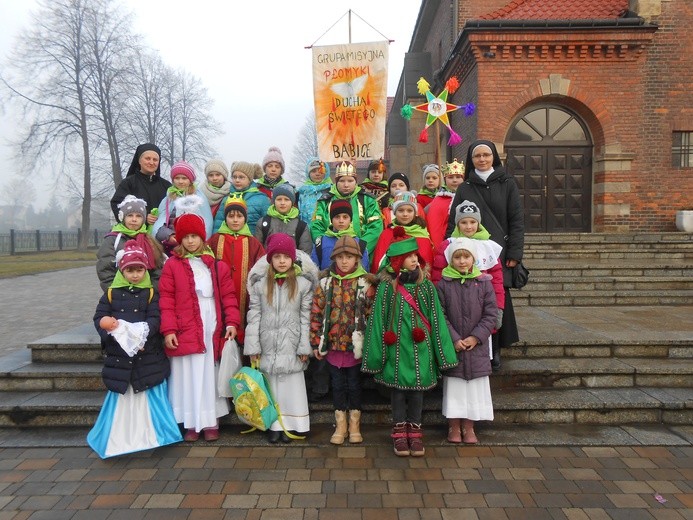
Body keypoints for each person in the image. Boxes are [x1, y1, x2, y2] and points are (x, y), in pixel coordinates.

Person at [362, 236, 458, 457]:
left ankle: (414, 432)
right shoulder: (387, 289)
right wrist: (376, 353)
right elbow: (378, 321)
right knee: (397, 392)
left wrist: (442, 352)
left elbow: (436, 319)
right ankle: (398, 433)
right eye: (409, 257)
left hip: (420, 350)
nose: (415, 260)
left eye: (416, 256)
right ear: (397, 262)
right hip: (395, 351)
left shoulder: (426, 287)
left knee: (417, 392)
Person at [89, 241, 182, 458]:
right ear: (122, 270)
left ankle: (155, 434)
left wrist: (143, 336)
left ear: (146, 270)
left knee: (149, 395)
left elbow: (156, 319)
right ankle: (119, 436)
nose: (135, 275)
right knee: (123, 397)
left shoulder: (151, 294)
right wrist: (108, 329)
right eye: (130, 270)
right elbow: (99, 317)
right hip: (120, 357)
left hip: (146, 355)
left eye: (139, 269)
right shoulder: (111, 294)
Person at [158, 212, 241, 442]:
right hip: (184, 326)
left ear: (202, 238)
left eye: (195, 236)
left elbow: (228, 296)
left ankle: (209, 420)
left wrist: (232, 322)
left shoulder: (215, 265)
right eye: (186, 237)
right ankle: (191, 423)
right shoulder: (172, 266)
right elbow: (166, 299)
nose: (191, 241)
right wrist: (169, 330)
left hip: (209, 324)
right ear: (180, 239)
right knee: (188, 374)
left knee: (207, 374)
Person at [445, 140, 524, 370]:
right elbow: (453, 222)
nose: (482, 159)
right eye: (477, 156)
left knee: (495, 300)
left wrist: (515, 253)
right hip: (466, 252)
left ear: (493, 157)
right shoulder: (465, 186)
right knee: (469, 301)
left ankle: (496, 347)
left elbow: (516, 219)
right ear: (472, 160)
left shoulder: (507, 182)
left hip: (498, 251)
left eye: (486, 155)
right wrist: (449, 248)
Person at [244, 234, 319, 443]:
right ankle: (274, 424)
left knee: (290, 386)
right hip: (268, 344)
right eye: (277, 257)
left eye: (286, 257)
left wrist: (305, 346)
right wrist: (253, 346)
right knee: (272, 386)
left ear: (293, 258)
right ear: (270, 259)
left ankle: (293, 423)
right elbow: (254, 315)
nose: (282, 261)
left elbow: (306, 317)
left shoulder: (303, 285)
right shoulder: (261, 285)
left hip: (292, 343)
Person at [310, 236, 376, 445]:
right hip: (333, 346)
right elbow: (316, 313)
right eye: (340, 257)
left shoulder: (364, 284)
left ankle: (355, 424)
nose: (344, 261)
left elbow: (371, 314)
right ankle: (341, 425)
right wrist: (315, 341)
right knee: (337, 386)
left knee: (355, 385)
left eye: (349, 257)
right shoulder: (325, 283)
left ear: (357, 259)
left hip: (355, 347)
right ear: (334, 259)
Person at [436, 238, 497, 444]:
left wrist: (475, 337)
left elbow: (490, 315)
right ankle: (454, 426)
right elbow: (440, 314)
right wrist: (453, 338)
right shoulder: (444, 284)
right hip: (454, 346)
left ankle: (469, 426)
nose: (462, 261)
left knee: (474, 390)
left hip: (476, 347)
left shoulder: (484, 283)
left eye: (466, 256)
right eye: (457, 257)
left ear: (473, 258)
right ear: (451, 260)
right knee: (455, 389)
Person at [208, 196, 265, 345]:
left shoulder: (253, 243)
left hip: (245, 298)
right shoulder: (214, 240)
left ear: (245, 219)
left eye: (239, 216)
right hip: (219, 294)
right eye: (231, 216)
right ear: (225, 217)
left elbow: (262, 269)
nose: (235, 220)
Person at [311, 161, 383, 259]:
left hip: (360, 255)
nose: (346, 185)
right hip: (330, 254)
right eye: (342, 181)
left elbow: (375, 228)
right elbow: (316, 227)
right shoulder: (324, 201)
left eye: (350, 181)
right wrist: (327, 247)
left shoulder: (368, 200)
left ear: (356, 182)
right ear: (336, 182)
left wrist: (359, 248)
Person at [96, 195, 164, 292]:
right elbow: (105, 268)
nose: (134, 219)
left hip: (146, 293)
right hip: (119, 293)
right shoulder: (112, 240)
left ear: (143, 219)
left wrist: (152, 291)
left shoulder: (149, 240)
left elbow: (158, 268)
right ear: (122, 217)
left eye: (138, 216)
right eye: (130, 215)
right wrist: (113, 291)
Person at [151, 161, 214, 254]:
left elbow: (207, 223)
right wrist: (169, 235)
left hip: (192, 243)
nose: (180, 181)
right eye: (177, 178)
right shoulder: (168, 199)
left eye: (184, 178)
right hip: (171, 245)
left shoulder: (198, 197)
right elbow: (160, 223)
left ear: (190, 180)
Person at [371, 191, 433, 274]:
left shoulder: (422, 234)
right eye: (400, 210)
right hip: (392, 280)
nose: (405, 214)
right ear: (395, 212)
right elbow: (379, 261)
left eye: (409, 211)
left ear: (415, 213)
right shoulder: (387, 233)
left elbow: (426, 261)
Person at [111, 143, 171, 225]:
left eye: (155, 160)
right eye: (147, 158)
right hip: (134, 234)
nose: (151, 162)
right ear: (139, 160)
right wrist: (142, 218)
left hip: (160, 234)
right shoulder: (128, 183)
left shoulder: (166, 186)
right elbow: (117, 205)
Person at [310, 199, 369, 271]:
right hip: (326, 281)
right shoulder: (320, 243)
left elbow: (364, 273)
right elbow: (313, 271)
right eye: (337, 217)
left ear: (350, 220)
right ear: (331, 220)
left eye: (345, 217)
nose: (341, 221)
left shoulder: (360, 244)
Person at [213, 161, 269, 234]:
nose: (237, 180)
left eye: (241, 177)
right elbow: (218, 223)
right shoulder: (227, 198)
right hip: (229, 242)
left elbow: (267, 224)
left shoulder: (261, 199)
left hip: (253, 242)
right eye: (234, 177)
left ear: (250, 179)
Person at [255, 184, 312, 254]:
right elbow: (258, 251)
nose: (282, 203)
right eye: (279, 199)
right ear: (273, 201)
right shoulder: (263, 222)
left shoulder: (301, 226)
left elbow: (305, 253)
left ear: (292, 202)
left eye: (286, 200)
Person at [425, 158, 465, 249]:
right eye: (450, 177)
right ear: (445, 180)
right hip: (445, 243)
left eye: (458, 177)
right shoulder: (439, 200)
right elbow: (434, 228)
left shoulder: (469, 197)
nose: (454, 180)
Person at [297, 158, 332, 225]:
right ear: (308, 174)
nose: (317, 174)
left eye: (320, 171)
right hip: (306, 231)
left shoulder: (332, 191)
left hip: (326, 231)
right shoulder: (302, 192)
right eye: (313, 171)